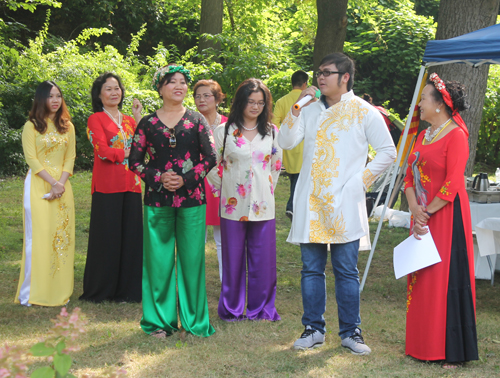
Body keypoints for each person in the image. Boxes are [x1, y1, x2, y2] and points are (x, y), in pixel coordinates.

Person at [278, 53, 396, 354]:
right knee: (311, 269)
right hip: (311, 199)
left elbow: (387, 151)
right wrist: (295, 108)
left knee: (346, 269)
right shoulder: (308, 109)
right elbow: (287, 142)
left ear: (345, 77)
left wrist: (360, 181)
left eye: (327, 73)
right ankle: (313, 329)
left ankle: (350, 332)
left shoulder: (363, 111)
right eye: (318, 72)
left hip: (345, 199)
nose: (320, 78)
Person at [129, 64, 216, 338]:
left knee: (192, 261)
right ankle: (159, 322)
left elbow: (211, 158)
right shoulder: (147, 123)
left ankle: (194, 323)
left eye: (182, 82)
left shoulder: (197, 120)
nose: (179, 86)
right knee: (159, 262)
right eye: (172, 82)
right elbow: (134, 161)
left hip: (192, 200)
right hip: (157, 200)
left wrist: (186, 179)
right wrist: (158, 177)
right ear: (160, 88)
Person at [404, 73, 478, 368]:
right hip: (421, 214)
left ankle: (451, 349)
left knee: (444, 278)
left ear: (439, 105)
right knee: (421, 276)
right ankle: (421, 343)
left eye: (423, 99)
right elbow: (409, 176)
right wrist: (414, 208)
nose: (419, 104)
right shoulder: (423, 135)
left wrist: (428, 211)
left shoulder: (456, 136)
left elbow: (452, 183)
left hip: (446, 216)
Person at [207, 78, 282, 322]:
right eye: (250, 101)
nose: (255, 106)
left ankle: (261, 309)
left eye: (260, 102)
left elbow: (275, 167)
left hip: (263, 206)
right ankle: (232, 308)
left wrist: (264, 191)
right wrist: (225, 188)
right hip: (232, 206)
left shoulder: (272, 132)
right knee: (233, 259)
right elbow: (211, 166)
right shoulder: (223, 132)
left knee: (263, 261)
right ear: (241, 102)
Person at [79, 72, 144, 303]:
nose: (114, 92)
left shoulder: (128, 120)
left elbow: (142, 145)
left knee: (131, 238)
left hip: (132, 184)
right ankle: (102, 290)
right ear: (99, 94)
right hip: (107, 186)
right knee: (107, 239)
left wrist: (137, 117)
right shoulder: (95, 119)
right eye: (108, 88)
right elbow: (102, 151)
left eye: (117, 88)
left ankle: (128, 291)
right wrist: (127, 153)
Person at [15, 81, 76, 307]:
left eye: (58, 96)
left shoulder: (67, 126)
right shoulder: (31, 126)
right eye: (50, 96)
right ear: (41, 99)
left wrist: (60, 183)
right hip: (39, 185)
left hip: (62, 187)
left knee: (61, 238)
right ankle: (31, 293)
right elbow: (31, 159)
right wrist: (52, 182)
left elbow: (70, 157)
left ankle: (59, 290)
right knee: (38, 238)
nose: (55, 100)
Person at [193, 79, 228, 282]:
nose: (201, 99)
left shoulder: (229, 123)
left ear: (217, 99)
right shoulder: (189, 121)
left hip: (222, 183)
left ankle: (227, 283)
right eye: (198, 96)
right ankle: (194, 285)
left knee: (223, 237)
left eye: (207, 95)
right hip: (196, 182)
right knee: (196, 237)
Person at [272, 70, 308, 221]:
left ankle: (293, 206)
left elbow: (274, 123)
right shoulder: (309, 100)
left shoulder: (282, 101)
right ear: (305, 83)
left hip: (288, 147)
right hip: (305, 145)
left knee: (295, 178)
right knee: (300, 180)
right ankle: (292, 207)